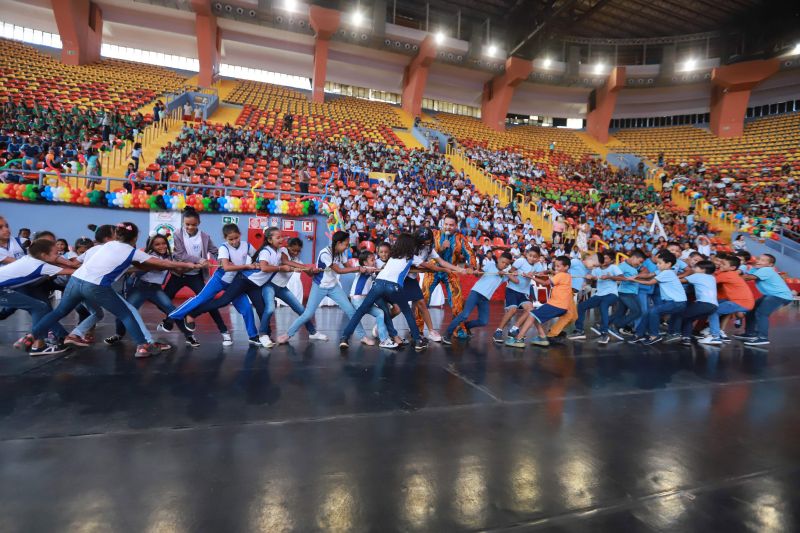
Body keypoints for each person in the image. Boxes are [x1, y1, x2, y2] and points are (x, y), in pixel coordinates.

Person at [30, 222, 194, 357]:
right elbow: (165, 264)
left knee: (59, 312)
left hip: (75, 280)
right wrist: (187, 265)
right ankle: (143, 346)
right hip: (95, 285)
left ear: (116, 235)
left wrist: (56, 259)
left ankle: (31, 337)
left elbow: (75, 263)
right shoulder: (132, 251)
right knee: (126, 314)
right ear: (135, 237)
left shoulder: (103, 246)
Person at [168, 223, 263, 346]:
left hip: (235, 282)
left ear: (240, 235)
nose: (234, 241)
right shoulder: (224, 248)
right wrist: (247, 266)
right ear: (225, 239)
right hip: (220, 279)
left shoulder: (247, 246)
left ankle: (253, 336)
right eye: (231, 239)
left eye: (236, 238)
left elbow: (258, 258)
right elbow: (228, 268)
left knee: (246, 308)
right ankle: (173, 316)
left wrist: (258, 263)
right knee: (201, 298)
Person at [277, 231, 376, 346]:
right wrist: (359, 268)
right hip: (320, 286)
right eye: (346, 244)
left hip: (334, 286)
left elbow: (348, 267)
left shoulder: (341, 252)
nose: (347, 247)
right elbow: (338, 270)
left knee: (351, 311)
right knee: (308, 314)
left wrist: (363, 269)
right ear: (338, 243)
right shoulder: (325, 253)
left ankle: (363, 336)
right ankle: (288, 334)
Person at [104, 235, 198, 347]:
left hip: (155, 289)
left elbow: (178, 270)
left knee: (173, 311)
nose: (161, 246)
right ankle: (118, 334)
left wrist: (195, 266)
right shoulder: (147, 257)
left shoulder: (171, 258)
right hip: (140, 288)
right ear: (151, 246)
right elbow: (137, 272)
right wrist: (152, 267)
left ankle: (189, 336)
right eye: (157, 244)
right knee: (125, 311)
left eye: (163, 243)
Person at [338, 233, 425, 351]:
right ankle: (415, 340)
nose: (383, 254)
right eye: (381, 252)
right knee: (404, 312)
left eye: (386, 252)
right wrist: (446, 269)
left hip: (378, 287)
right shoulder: (407, 257)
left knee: (369, 311)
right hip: (388, 288)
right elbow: (428, 265)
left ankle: (345, 337)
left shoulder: (393, 258)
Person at [163, 207, 232, 345]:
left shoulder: (205, 237)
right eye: (187, 224)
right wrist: (199, 260)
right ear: (183, 222)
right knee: (164, 300)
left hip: (195, 276)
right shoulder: (177, 234)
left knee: (207, 301)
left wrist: (221, 259)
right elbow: (180, 254)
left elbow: (214, 251)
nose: (190, 227)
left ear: (199, 223)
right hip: (179, 274)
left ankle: (224, 331)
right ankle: (169, 321)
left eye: (193, 224)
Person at [1, 239, 75, 353]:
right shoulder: (41, 266)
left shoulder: (29, 258)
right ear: (44, 255)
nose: (58, 255)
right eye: (56, 253)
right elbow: (73, 272)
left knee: (40, 307)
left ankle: (40, 343)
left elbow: (58, 262)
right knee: (39, 307)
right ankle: (38, 345)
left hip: (4, 287)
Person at [258, 231, 327, 345]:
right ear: (288, 247)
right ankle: (262, 334)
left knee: (301, 310)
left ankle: (312, 332)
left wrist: (313, 270)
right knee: (270, 308)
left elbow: (309, 274)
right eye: (293, 250)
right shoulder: (283, 251)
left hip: (282, 288)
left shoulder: (298, 261)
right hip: (270, 285)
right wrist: (304, 267)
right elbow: (285, 261)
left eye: (298, 251)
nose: (295, 252)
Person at [417, 213, 476, 338]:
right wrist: (441, 248)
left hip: (451, 271)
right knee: (423, 298)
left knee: (457, 301)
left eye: (451, 225)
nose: (448, 227)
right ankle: (418, 328)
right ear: (443, 224)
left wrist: (471, 266)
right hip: (432, 270)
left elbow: (470, 254)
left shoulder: (460, 238)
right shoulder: (434, 234)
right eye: (446, 224)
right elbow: (426, 252)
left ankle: (458, 329)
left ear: (456, 225)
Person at [442, 252, 516, 344]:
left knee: (483, 321)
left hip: (485, 299)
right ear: (499, 259)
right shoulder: (490, 265)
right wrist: (476, 272)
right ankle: (447, 334)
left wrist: (508, 273)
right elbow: (479, 273)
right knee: (465, 315)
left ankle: (466, 326)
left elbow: (514, 280)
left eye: (507, 264)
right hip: (476, 293)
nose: (504, 265)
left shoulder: (505, 274)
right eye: (503, 262)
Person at [505, 256, 573, 348]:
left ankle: (519, 339)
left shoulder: (561, 275)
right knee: (535, 315)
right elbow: (552, 274)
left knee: (532, 315)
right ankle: (542, 337)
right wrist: (548, 272)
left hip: (556, 305)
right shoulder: (567, 275)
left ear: (566, 267)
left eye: (558, 266)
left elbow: (545, 283)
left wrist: (531, 277)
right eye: (555, 266)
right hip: (562, 306)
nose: (556, 268)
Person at [628, 250, 688, 345]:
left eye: (660, 263)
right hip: (674, 302)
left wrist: (634, 280)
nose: (657, 265)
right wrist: (635, 276)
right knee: (648, 313)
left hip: (677, 302)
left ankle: (654, 335)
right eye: (657, 263)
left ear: (668, 264)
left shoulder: (667, 273)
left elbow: (650, 282)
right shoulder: (662, 271)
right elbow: (648, 275)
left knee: (653, 311)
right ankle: (639, 334)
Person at [343, 250, 398, 348]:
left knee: (379, 313)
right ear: (364, 263)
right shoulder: (364, 269)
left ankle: (383, 339)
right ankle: (382, 339)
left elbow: (375, 272)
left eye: (374, 259)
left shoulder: (370, 270)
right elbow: (371, 270)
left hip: (363, 299)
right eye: (372, 260)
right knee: (364, 316)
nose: (374, 262)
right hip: (358, 299)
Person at [736, 254, 794, 346]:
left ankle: (762, 337)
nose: (758, 261)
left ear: (770, 264)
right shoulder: (756, 269)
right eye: (758, 259)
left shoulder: (767, 270)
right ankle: (750, 333)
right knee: (751, 310)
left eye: (763, 260)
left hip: (780, 296)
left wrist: (731, 276)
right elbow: (745, 275)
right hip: (770, 295)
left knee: (761, 313)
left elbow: (748, 278)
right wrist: (741, 268)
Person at [699, 255, 754, 345]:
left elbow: (709, 281)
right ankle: (714, 331)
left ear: (732, 267)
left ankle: (715, 336)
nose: (720, 265)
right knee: (716, 305)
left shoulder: (727, 274)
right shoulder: (730, 273)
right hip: (742, 302)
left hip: (740, 302)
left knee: (713, 311)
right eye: (721, 263)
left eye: (723, 264)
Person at [569, 251, 622, 344]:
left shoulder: (613, 267)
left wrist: (610, 277)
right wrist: (588, 280)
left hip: (612, 294)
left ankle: (604, 333)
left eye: (606, 258)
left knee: (603, 305)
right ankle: (579, 330)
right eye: (602, 258)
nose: (603, 260)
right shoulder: (596, 269)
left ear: (611, 260)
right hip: (599, 295)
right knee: (581, 306)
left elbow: (621, 278)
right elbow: (592, 281)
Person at [493, 247, 543, 343]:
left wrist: (534, 273)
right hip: (512, 289)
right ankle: (498, 331)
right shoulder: (521, 261)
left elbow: (541, 273)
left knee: (530, 309)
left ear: (538, 258)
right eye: (530, 256)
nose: (532, 258)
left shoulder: (538, 265)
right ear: (526, 254)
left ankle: (514, 329)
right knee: (513, 310)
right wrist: (514, 272)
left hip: (524, 292)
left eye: (535, 257)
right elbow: (511, 270)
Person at [667, 260, 718, 345]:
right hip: (714, 306)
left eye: (696, 267)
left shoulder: (697, 275)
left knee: (679, 313)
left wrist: (667, 276)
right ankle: (686, 337)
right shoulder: (712, 277)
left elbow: (680, 281)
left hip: (703, 304)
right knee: (689, 317)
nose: (693, 268)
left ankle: (675, 334)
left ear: (703, 270)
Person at [607, 250, 647, 340]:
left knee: (620, 312)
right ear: (633, 257)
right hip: (625, 293)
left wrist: (636, 276)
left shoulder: (633, 266)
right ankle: (616, 325)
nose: (639, 264)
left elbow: (645, 270)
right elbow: (614, 278)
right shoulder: (622, 266)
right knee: (637, 312)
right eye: (639, 261)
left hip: (630, 292)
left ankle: (602, 324)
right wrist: (626, 279)